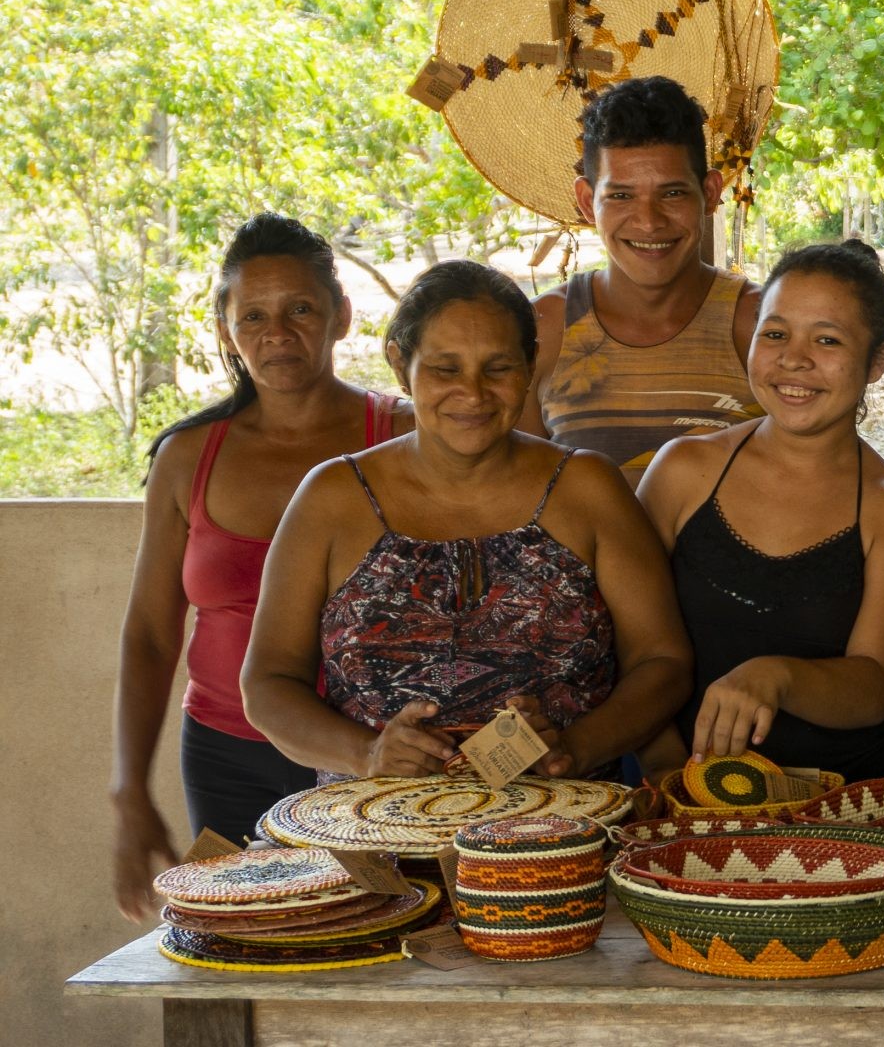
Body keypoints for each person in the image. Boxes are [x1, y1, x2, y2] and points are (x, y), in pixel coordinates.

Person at [243, 262, 691, 781]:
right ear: (399, 364)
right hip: (375, 841)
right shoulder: (332, 498)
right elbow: (269, 683)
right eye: (445, 369)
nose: (473, 394)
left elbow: (663, 662)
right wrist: (366, 755)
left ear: (530, 364)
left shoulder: (587, 487)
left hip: (563, 837)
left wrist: (575, 746)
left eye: (498, 368)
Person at [107, 217, 412, 921]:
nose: (277, 332)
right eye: (254, 315)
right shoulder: (189, 457)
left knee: (380, 941)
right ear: (225, 327)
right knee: (242, 943)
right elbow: (151, 636)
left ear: (341, 315)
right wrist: (129, 796)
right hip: (225, 757)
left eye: (301, 309)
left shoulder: (400, 436)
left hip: (372, 754)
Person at [639, 239, 884, 781]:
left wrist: (774, 677)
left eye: (827, 340)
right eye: (775, 334)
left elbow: (874, 686)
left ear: (878, 361)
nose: (794, 359)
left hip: (838, 808)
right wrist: (661, 767)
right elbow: (625, 638)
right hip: (678, 795)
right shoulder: (683, 470)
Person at [531, 76, 761, 482]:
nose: (649, 222)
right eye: (620, 196)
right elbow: (521, 502)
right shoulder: (544, 332)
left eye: (672, 194)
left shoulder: (761, 325)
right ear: (587, 201)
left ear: (709, 193)